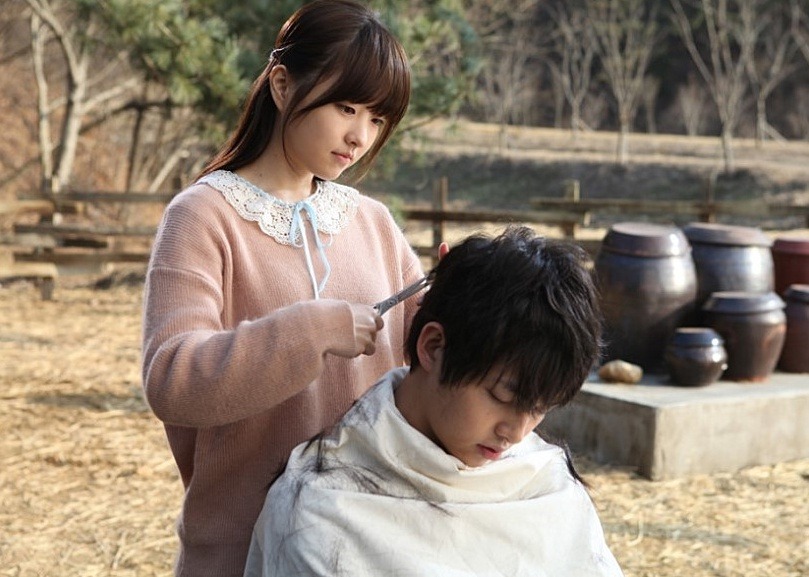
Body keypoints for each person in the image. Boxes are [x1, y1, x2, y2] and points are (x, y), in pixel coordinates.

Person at [140, 2, 424, 575]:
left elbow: (431, 342)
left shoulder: (371, 222)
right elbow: (171, 379)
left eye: (376, 119)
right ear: (281, 84)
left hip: (366, 546)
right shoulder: (203, 216)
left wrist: (473, 292)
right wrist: (311, 331)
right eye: (346, 107)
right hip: (241, 547)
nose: (360, 136)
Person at [243, 226, 624, 577]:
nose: (517, 433)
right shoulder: (321, 510)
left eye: (541, 408)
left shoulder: (547, 483)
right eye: (502, 396)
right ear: (433, 347)